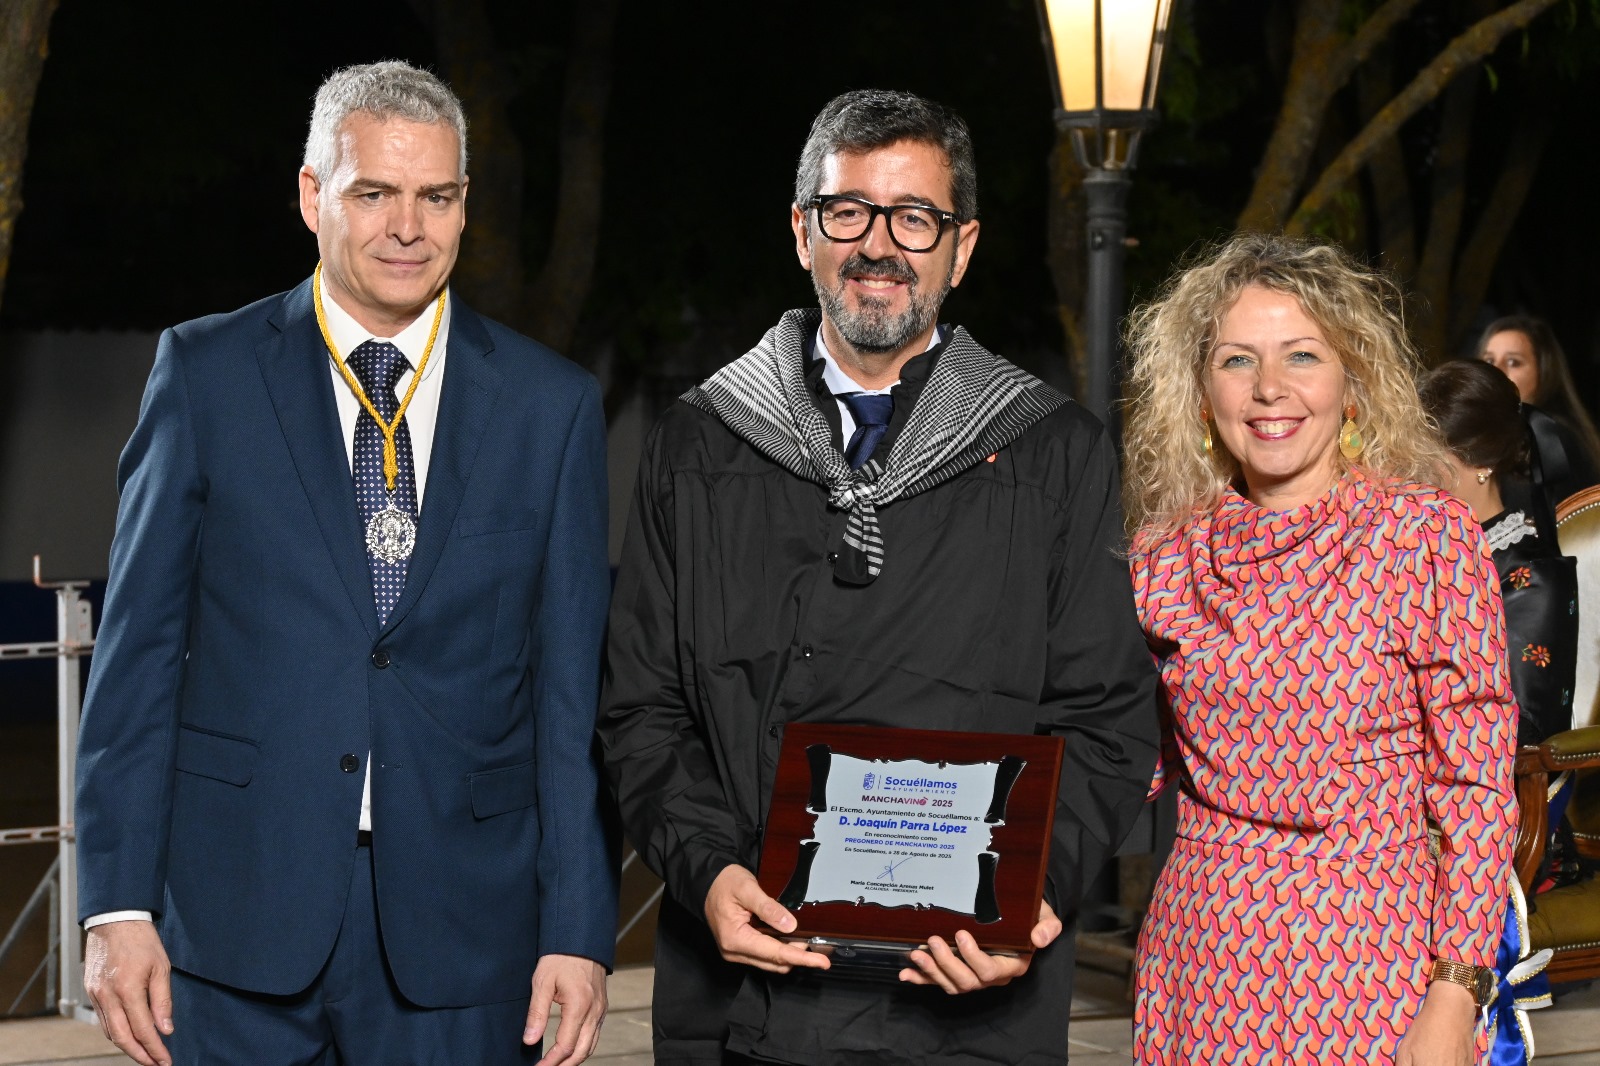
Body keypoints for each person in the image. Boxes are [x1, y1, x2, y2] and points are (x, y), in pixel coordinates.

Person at [599, 89, 1159, 1065]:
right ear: (802, 231)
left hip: (967, 1007)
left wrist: (1029, 896)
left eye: (915, 217)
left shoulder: (1052, 455)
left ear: (963, 245)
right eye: (847, 210)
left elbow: (1106, 722)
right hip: (742, 999)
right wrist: (707, 870)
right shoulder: (699, 442)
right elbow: (640, 705)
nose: (878, 245)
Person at [75, 61, 615, 1066]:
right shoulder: (204, 373)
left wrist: (578, 927)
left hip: (466, 931)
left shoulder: (552, 409)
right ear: (313, 194)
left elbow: (569, 701)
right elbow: (136, 657)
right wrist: (114, 903)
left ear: (463, 207)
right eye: (375, 192)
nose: (409, 226)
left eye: (437, 196)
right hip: (234, 919)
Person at [1121, 234, 1517, 1064]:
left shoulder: (1425, 538)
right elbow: (1120, 758)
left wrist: (1457, 991)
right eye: (1236, 361)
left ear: (1354, 382)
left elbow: (1477, 785)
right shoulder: (1165, 554)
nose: (1269, 389)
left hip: (1378, 967)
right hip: (1203, 963)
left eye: (1303, 356)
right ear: (1199, 391)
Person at [1419, 359, 1578, 745]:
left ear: (1482, 464)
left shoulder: (1531, 573)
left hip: (1488, 789)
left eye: (1426, 458)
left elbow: (1523, 728)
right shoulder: (1411, 546)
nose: (1411, 473)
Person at [1478, 314, 1600, 513]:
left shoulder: (1548, 437)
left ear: (1544, 372)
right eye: (1489, 359)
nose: (1496, 370)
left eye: (1513, 362)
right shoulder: (1478, 436)